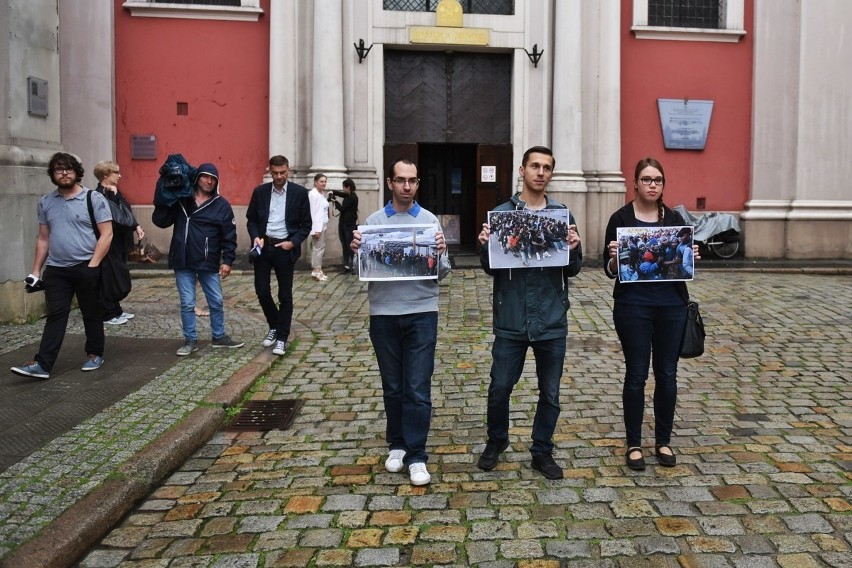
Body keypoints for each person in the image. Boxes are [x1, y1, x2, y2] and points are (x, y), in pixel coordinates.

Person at [476, 146, 583, 480]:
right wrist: (485, 247)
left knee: (550, 392)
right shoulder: (501, 213)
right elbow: (490, 269)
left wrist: (575, 249)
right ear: (522, 171)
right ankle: (497, 441)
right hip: (511, 318)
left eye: (547, 167)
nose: (540, 172)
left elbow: (573, 269)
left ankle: (542, 450)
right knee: (500, 387)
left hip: (551, 317)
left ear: (551, 174)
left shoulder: (562, 215)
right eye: (534, 166)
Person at [350, 159, 450, 486]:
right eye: (401, 180)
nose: (407, 186)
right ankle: (397, 444)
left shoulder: (429, 220)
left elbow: (443, 272)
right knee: (393, 386)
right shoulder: (374, 222)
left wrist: (440, 252)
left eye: (412, 181)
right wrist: (356, 252)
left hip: (422, 311)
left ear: (418, 184)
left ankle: (417, 454)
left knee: (418, 387)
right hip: (384, 314)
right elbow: (361, 271)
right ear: (391, 183)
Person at [603, 157, 700, 471]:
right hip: (633, 307)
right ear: (635, 183)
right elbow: (609, 270)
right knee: (636, 374)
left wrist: (691, 256)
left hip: (671, 306)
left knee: (667, 374)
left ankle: (663, 441)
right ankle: (634, 443)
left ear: (663, 185)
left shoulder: (673, 218)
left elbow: (682, 268)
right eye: (646, 179)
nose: (652, 185)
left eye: (657, 180)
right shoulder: (619, 218)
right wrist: (616, 259)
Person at [11, 152, 113, 379]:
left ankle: (95, 354)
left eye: (68, 169)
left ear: (77, 172)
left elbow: (107, 235)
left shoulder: (93, 199)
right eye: (59, 169)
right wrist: (36, 271)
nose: (64, 173)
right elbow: (43, 238)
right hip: (57, 270)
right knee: (56, 314)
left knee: (91, 312)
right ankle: (42, 364)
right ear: (53, 174)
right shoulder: (46, 202)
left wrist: (93, 266)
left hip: (87, 265)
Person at [152, 162, 244, 356]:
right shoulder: (183, 200)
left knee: (216, 301)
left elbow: (229, 236)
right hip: (182, 259)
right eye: (205, 177)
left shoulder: (221, 205)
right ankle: (190, 340)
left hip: (207, 261)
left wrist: (227, 261)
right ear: (197, 178)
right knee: (187, 303)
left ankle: (219, 336)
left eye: (213, 179)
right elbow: (160, 221)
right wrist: (166, 198)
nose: (209, 181)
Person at [246, 155, 312, 356]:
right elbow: (251, 220)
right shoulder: (260, 192)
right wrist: (256, 236)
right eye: (275, 173)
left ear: (288, 170)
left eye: (282, 172)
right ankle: (274, 325)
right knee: (262, 291)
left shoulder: (299, 193)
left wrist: (292, 242)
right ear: (270, 171)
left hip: (285, 248)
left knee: (285, 295)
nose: (279, 176)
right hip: (264, 246)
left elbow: (306, 224)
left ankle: (282, 337)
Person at [93, 160, 145, 325]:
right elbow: (116, 218)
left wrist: (137, 226)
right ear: (105, 175)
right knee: (109, 275)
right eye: (116, 173)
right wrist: (114, 196)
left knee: (117, 274)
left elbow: (126, 213)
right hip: (108, 240)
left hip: (119, 241)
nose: (120, 175)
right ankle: (107, 312)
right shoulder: (98, 195)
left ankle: (115, 309)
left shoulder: (114, 192)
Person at [331, 178, 358, 274]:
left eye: (344, 187)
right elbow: (342, 194)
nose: (343, 189)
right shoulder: (348, 195)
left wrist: (334, 201)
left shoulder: (353, 197)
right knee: (344, 245)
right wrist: (333, 192)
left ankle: (354, 266)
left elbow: (342, 208)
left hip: (349, 225)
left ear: (348, 187)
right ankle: (347, 266)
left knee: (350, 245)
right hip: (343, 223)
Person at [307, 173, 330, 281]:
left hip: (323, 223)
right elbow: (313, 212)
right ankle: (316, 270)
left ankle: (318, 269)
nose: (324, 183)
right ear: (315, 182)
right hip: (318, 225)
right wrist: (315, 229)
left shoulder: (320, 194)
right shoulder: (313, 194)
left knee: (321, 248)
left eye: (325, 181)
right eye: (321, 181)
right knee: (318, 248)